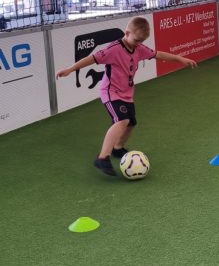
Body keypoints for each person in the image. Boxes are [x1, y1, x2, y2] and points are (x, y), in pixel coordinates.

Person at [56, 15, 197, 176]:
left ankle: (117, 148)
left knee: (131, 123)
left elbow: (158, 55)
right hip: (110, 92)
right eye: (136, 40)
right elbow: (91, 59)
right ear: (127, 33)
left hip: (127, 93)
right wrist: (70, 69)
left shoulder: (139, 48)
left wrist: (180, 59)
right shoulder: (113, 49)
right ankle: (102, 158)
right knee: (122, 120)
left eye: (141, 41)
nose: (138, 44)